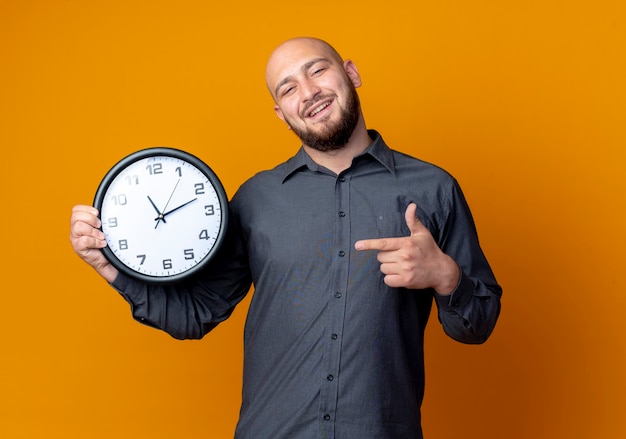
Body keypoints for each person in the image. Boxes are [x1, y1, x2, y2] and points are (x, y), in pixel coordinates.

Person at [70, 37, 502, 439]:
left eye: (317, 71)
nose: (308, 92)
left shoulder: (434, 188)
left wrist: (446, 277)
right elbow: (196, 313)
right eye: (288, 88)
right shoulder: (256, 198)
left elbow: (477, 325)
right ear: (281, 112)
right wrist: (110, 267)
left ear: (350, 73)